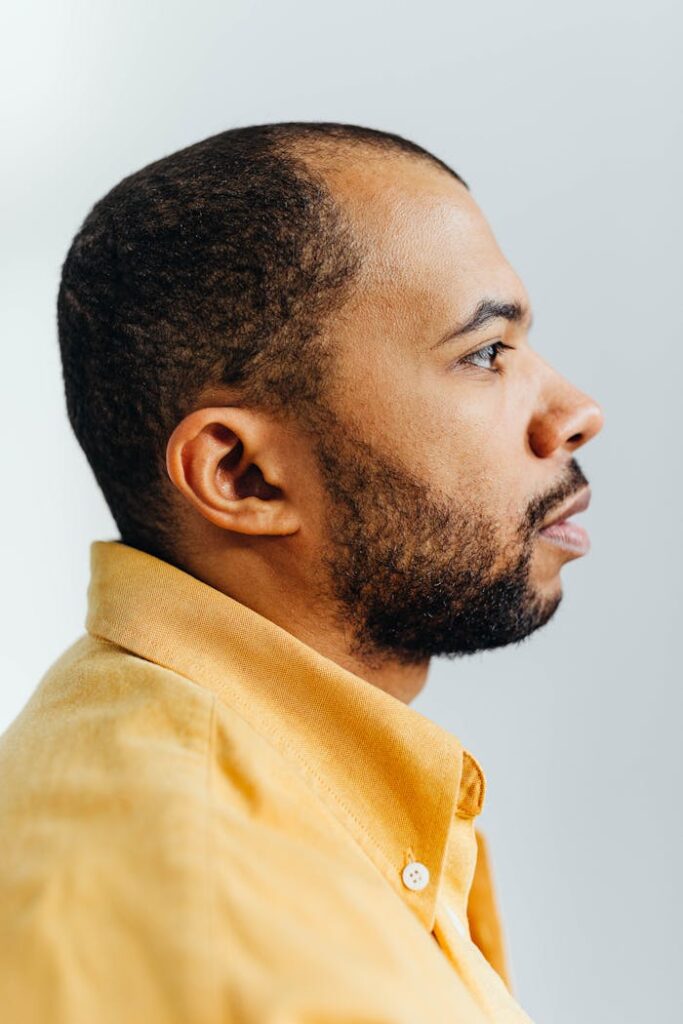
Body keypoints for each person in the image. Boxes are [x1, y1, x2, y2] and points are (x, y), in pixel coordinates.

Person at [0, 121, 604, 1023]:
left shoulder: (230, 793)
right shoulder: (211, 923)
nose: (573, 413)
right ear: (241, 475)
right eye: (483, 354)